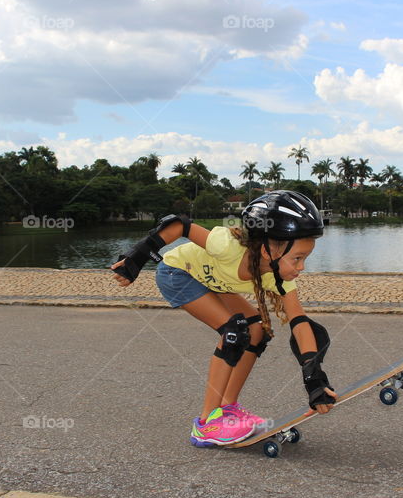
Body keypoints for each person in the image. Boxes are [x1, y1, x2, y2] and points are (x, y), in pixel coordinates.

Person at [110, 190, 338, 447]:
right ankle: (206, 423)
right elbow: (179, 225)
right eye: (297, 258)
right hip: (177, 274)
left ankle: (227, 409)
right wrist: (137, 257)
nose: (302, 267)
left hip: (214, 283)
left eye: (305, 258)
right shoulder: (227, 246)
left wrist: (313, 378)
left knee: (257, 330)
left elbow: (300, 323)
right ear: (267, 251)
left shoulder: (277, 279)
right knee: (234, 331)